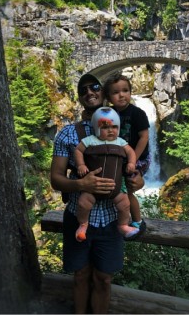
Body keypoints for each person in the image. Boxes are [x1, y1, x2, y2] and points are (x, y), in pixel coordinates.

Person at [50, 73, 144, 314]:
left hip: (112, 219)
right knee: (80, 275)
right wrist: (83, 185)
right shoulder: (67, 134)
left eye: (95, 88)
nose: (90, 92)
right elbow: (56, 179)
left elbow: (135, 167)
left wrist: (137, 179)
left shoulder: (123, 128)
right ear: (79, 98)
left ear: (104, 94)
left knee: (104, 278)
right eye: (83, 90)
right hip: (79, 216)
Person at [74, 106, 140, 242]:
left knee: (124, 204)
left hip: (115, 188)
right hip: (92, 188)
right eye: (105, 128)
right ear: (97, 129)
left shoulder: (120, 142)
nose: (111, 130)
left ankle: (123, 225)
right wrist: (81, 164)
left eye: (114, 127)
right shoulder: (90, 140)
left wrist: (131, 163)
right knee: (83, 203)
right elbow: (78, 151)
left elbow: (131, 152)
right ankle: (83, 225)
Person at [103, 72, 150, 233]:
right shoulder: (108, 113)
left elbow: (144, 137)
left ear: (130, 92)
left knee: (127, 190)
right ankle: (121, 218)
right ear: (108, 97)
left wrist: (133, 159)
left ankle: (137, 221)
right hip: (119, 159)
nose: (121, 95)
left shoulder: (138, 113)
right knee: (118, 189)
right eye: (116, 92)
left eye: (125, 91)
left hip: (138, 158)